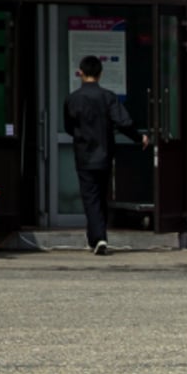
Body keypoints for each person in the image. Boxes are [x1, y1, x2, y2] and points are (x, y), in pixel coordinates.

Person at [63, 55, 149, 255]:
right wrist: (139, 137)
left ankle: (98, 237)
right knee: (101, 195)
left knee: (90, 197)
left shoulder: (72, 98)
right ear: (100, 74)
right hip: (105, 154)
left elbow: (69, 127)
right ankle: (96, 238)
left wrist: (81, 135)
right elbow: (124, 122)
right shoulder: (108, 97)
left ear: (81, 73)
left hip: (84, 155)